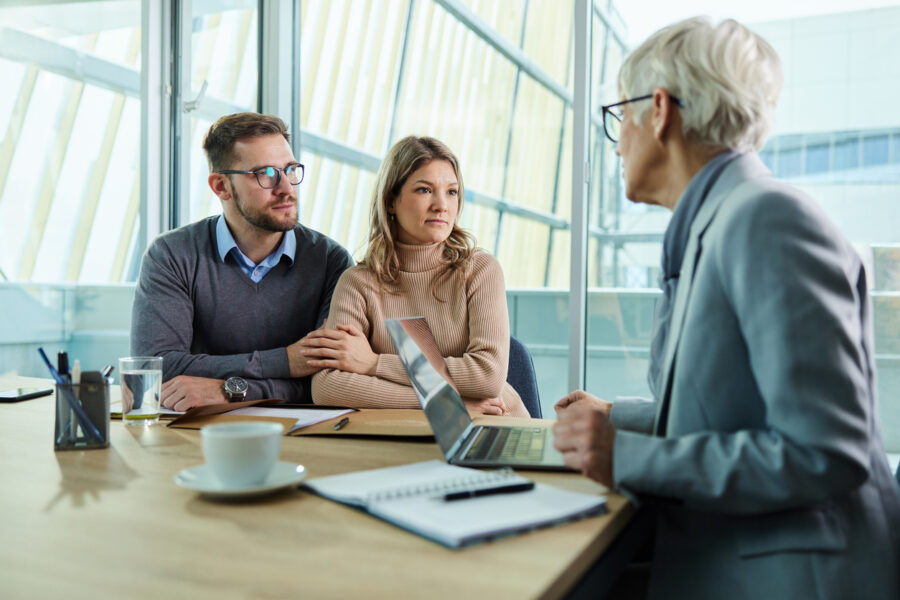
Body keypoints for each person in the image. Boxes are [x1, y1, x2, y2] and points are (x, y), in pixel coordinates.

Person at [552, 17, 900, 599]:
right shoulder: (721, 222)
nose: (620, 140)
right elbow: (734, 406)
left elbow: (823, 452)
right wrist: (619, 414)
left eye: (621, 116)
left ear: (659, 109)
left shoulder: (766, 220)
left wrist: (628, 456)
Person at [130, 113, 353, 410]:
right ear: (221, 186)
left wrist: (230, 391)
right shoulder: (172, 255)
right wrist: (286, 361)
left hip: (297, 436)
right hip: (193, 435)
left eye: (290, 170)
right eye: (266, 174)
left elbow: (328, 379)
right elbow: (156, 370)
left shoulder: (330, 261)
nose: (286, 188)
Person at [305, 136, 528, 417]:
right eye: (424, 190)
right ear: (390, 202)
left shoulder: (480, 270)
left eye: (451, 192)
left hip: (491, 422)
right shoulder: (358, 282)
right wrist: (447, 404)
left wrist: (374, 364)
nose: (441, 205)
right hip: (410, 432)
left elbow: (486, 376)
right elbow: (327, 387)